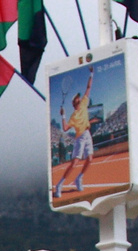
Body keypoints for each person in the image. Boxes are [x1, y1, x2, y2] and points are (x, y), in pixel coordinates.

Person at [53, 67, 97, 199]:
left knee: (90, 158)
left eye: (79, 97)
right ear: (74, 102)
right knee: (75, 162)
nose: (79, 98)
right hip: (80, 139)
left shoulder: (84, 103)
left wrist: (91, 73)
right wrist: (63, 116)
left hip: (87, 134)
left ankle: (79, 178)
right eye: (77, 98)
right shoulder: (73, 116)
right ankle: (59, 185)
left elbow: (88, 88)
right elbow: (65, 128)